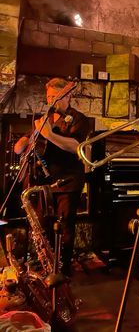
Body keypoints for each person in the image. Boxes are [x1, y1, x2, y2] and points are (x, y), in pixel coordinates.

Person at [14, 77, 91, 276]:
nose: (51, 101)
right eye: (48, 96)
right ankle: (47, 265)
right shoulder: (46, 118)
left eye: (54, 96)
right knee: (43, 224)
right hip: (44, 182)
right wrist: (24, 142)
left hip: (68, 181)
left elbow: (77, 147)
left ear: (67, 96)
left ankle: (63, 269)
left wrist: (49, 135)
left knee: (65, 227)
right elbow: (30, 139)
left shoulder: (80, 119)